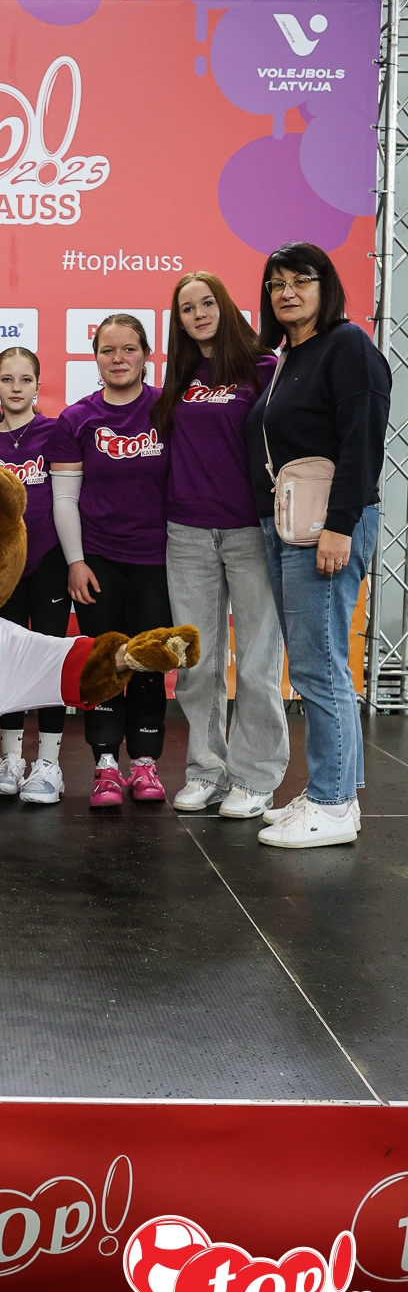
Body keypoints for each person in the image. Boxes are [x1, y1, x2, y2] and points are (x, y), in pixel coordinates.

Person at [247, 243, 391, 848]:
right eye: (276, 283)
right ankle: (336, 792)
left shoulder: (347, 345)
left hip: (323, 526)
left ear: (324, 285)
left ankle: (331, 804)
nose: (287, 292)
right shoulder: (289, 355)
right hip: (289, 525)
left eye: (300, 280)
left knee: (318, 665)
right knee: (320, 660)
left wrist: (339, 525)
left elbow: (363, 442)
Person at [155, 271, 288, 818]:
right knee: (197, 662)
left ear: (226, 305)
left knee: (257, 660)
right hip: (187, 532)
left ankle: (255, 778)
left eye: (207, 302)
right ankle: (207, 770)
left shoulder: (264, 368)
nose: (199, 314)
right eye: (187, 309)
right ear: (180, 322)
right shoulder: (180, 377)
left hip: (251, 530)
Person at [48, 315, 173, 807]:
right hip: (98, 560)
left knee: (147, 663)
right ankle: (104, 766)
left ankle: (144, 764)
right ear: (95, 357)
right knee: (104, 662)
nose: (118, 359)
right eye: (108, 350)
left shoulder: (167, 409)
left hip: (157, 561)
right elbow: (64, 498)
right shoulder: (76, 419)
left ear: (146, 355)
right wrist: (76, 562)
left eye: (129, 349)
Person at [0, 347, 69, 804]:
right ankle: (11, 758)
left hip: (49, 560)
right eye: (7, 379)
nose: (16, 388)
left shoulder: (55, 432)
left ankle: (49, 762)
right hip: (3, 564)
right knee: (7, 659)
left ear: (37, 385)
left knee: (50, 657)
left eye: (25, 380)